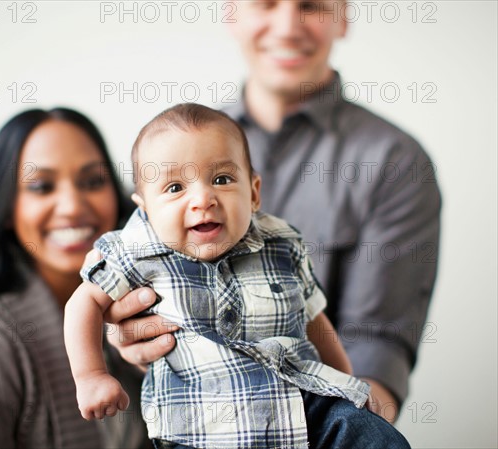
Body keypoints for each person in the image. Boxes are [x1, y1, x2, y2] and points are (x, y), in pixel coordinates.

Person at [105, 0, 442, 424]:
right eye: (266, 3)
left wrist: (343, 427)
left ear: (343, 16)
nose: (287, 27)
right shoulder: (166, 148)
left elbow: (377, 346)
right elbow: (120, 297)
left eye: (312, 5)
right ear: (231, 12)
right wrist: (132, 342)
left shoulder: (396, 162)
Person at [64, 103, 411, 449]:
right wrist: (91, 375)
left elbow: (314, 319)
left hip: (304, 406)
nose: (203, 199)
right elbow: (84, 302)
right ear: (145, 209)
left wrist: (345, 383)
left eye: (222, 179)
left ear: (254, 192)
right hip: (202, 424)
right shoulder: (135, 251)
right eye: (174, 188)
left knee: (374, 435)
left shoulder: (282, 243)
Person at [0, 108, 154, 448]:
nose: (72, 206)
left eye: (93, 181)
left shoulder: (141, 306)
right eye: (41, 186)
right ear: (5, 210)